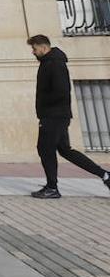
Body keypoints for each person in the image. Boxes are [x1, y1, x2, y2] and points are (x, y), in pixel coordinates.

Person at [27, 34, 110, 198]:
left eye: (34, 49)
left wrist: (45, 105)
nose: (33, 52)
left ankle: (52, 188)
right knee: (65, 150)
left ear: (44, 48)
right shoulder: (49, 62)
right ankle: (105, 175)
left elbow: (62, 91)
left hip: (54, 115)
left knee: (45, 149)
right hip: (56, 114)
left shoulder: (54, 64)